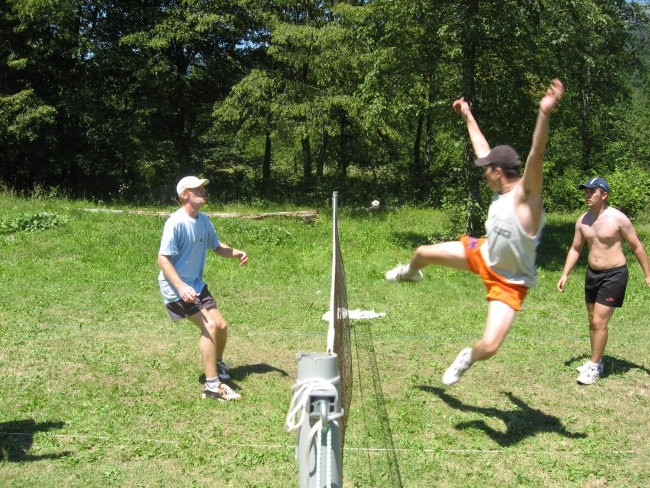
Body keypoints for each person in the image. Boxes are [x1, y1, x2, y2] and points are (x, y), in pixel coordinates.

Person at [385, 79, 564, 386]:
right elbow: (482, 147)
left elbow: (536, 154)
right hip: (483, 253)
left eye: (486, 168)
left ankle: (468, 356)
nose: (483, 172)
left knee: (490, 346)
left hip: (510, 282)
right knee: (422, 253)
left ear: (498, 171)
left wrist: (544, 114)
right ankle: (411, 273)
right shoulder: (499, 184)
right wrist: (467, 114)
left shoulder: (526, 195)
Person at [157, 176, 248, 401]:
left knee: (222, 325)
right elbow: (162, 259)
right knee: (209, 326)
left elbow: (216, 247)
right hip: (176, 288)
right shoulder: (175, 222)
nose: (203, 190)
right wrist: (180, 287)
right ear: (184, 195)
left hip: (196, 285)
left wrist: (234, 252)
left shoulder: (203, 221)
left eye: (203, 187)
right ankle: (211, 386)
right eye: (197, 188)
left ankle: (215, 363)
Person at [556, 177, 650, 385]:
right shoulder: (583, 220)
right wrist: (565, 274)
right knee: (592, 319)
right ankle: (595, 361)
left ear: (604, 194)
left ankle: (595, 366)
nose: (587, 195)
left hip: (614, 275)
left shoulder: (618, 219)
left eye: (592, 192)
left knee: (599, 321)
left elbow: (636, 246)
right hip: (592, 274)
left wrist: (648, 274)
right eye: (586, 192)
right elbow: (575, 249)